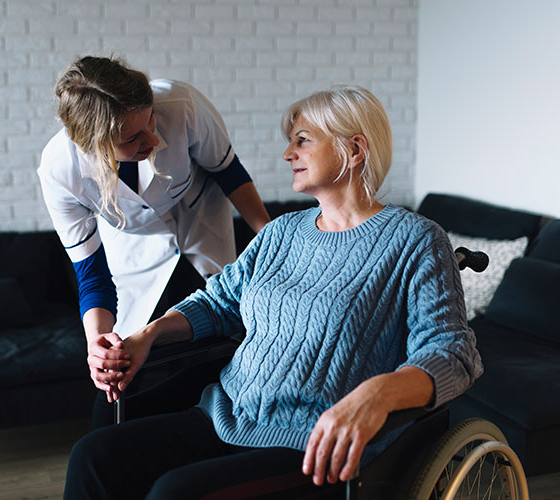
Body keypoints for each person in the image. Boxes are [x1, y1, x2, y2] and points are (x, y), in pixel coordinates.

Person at [62, 85, 483, 499]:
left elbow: (453, 352)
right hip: (227, 411)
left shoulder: (416, 240)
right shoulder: (282, 231)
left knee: (174, 492)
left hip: (310, 442)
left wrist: (377, 393)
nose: (287, 155)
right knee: (93, 456)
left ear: (354, 150)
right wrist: (148, 335)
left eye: (302, 141)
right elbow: (220, 301)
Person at [37, 56, 271, 423]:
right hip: (135, 253)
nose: (155, 139)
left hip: (202, 226)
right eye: (133, 138)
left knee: (223, 342)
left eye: (150, 120)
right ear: (96, 146)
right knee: (126, 370)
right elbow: (92, 276)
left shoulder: (181, 105)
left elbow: (229, 173)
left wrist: (272, 240)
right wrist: (96, 344)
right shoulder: (60, 172)